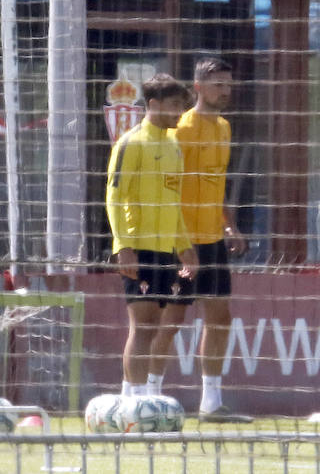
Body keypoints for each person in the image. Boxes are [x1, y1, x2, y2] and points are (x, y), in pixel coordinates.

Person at [159, 56, 252, 422]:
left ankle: (211, 403)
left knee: (220, 317)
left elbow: (218, 184)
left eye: (229, 84)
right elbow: (169, 188)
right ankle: (147, 394)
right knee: (172, 318)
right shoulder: (181, 129)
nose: (225, 91)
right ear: (198, 88)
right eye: (218, 85)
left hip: (213, 238)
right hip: (181, 240)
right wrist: (178, 240)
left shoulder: (224, 128)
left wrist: (230, 226)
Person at [104, 73, 198, 398]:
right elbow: (114, 196)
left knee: (157, 327)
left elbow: (174, 202)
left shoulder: (174, 147)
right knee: (143, 325)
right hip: (139, 248)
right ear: (153, 104)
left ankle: (139, 398)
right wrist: (123, 246)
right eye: (174, 106)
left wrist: (185, 247)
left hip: (166, 252)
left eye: (182, 107)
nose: (179, 113)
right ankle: (133, 400)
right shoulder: (130, 143)